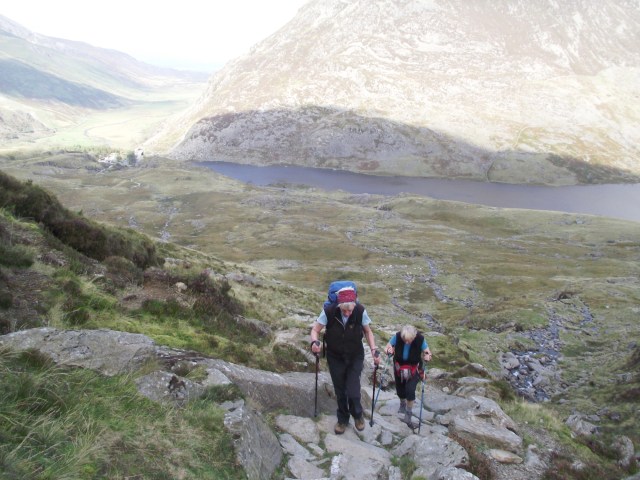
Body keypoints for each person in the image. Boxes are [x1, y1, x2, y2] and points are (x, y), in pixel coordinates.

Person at [310, 287, 381, 434]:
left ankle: (358, 415)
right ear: (339, 306)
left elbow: (368, 331)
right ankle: (342, 419)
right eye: (344, 311)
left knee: (353, 391)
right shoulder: (329, 311)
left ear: (354, 305)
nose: (348, 313)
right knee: (340, 390)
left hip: (355, 355)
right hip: (335, 356)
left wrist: (374, 350)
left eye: (350, 311)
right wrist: (314, 342)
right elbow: (315, 330)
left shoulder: (360, 311)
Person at [384, 325, 432, 427]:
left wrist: (427, 356)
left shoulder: (420, 339)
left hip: (414, 369)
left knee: (410, 390)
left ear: (414, 337)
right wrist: (389, 350)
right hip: (399, 368)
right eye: (404, 339)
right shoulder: (397, 337)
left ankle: (408, 415)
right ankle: (402, 403)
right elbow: (388, 347)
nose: (406, 342)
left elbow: (427, 351)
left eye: (409, 340)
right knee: (400, 390)